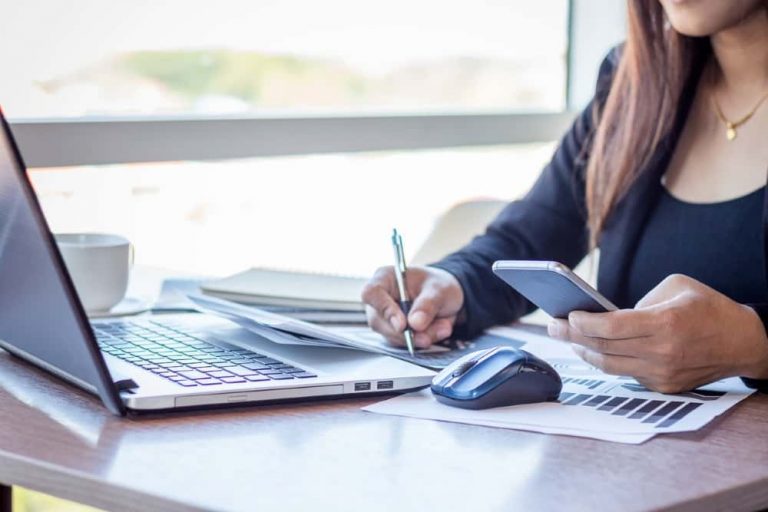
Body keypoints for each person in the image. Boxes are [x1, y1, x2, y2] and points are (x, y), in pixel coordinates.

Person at [362, 0, 768, 393]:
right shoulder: (635, 81)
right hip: (631, 445)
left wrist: (755, 344)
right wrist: (450, 284)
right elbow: (531, 239)